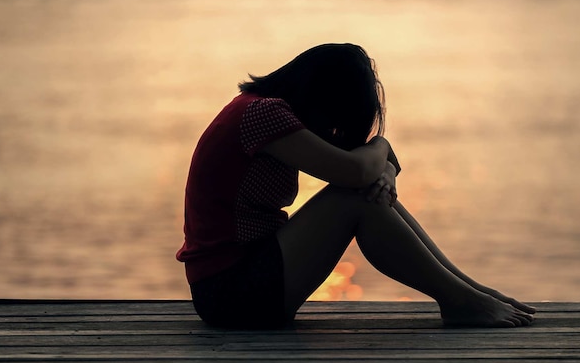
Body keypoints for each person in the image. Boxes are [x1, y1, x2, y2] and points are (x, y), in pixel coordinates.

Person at [176, 43, 535, 329]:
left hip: (243, 282)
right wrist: (379, 145)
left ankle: (468, 292)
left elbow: (369, 167)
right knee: (354, 199)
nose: (335, 130)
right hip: (230, 293)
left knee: (363, 193)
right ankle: (461, 300)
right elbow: (358, 169)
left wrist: (386, 173)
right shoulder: (263, 115)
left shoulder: (263, 111)